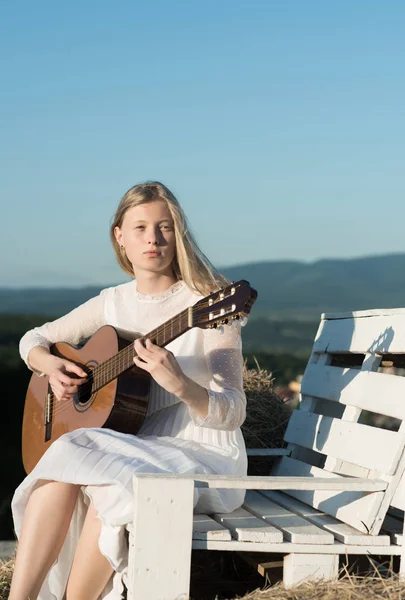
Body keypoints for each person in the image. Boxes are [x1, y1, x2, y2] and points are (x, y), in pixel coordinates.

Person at [9, 181, 247, 600]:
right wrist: (52, 366)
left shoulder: (210, 304)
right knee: (64, 461)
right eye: (140, 227)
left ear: (180, 234)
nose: (153, 239)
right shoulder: (111, 303)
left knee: (109, 480)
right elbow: (32, 339)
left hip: (200, 450)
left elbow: (234, 410)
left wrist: (182, 386)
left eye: (165, 226)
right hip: (129, 441)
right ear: (119, 235)